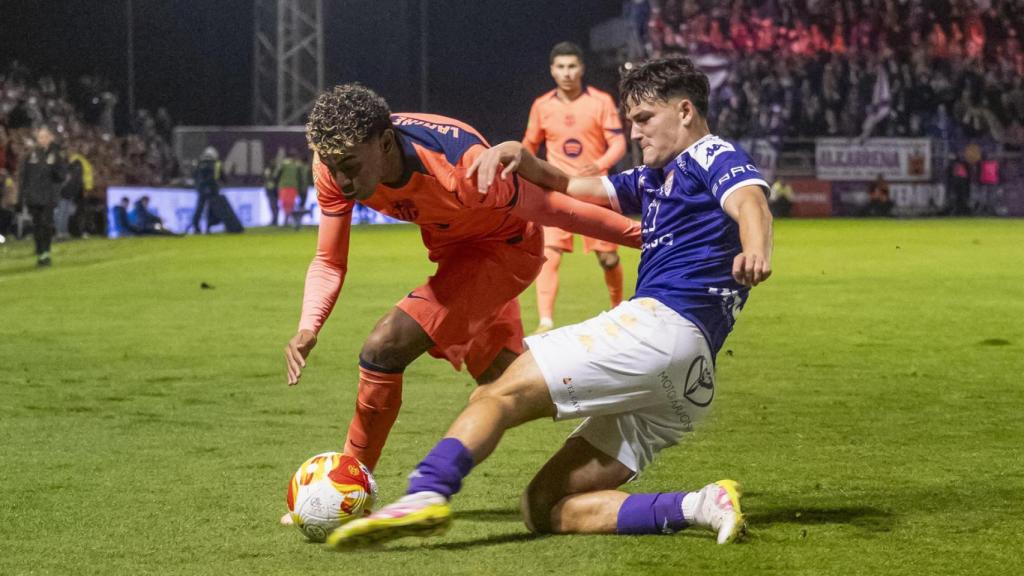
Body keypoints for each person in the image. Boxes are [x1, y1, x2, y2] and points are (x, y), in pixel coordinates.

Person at [328, 56, 773, 548]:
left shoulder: (711, 154)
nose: (635, 132)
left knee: (496, 395)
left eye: (645, 119)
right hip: (690, 380)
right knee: (545, 505)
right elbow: (570, 186)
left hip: (659, 329)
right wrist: (523, 156)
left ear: (685, 111)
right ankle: (701, 504)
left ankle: (426, 492)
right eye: (631, 120)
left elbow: (749, 200)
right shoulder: (655, 177)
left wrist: (755, 249)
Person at [282, 82, 644, 526]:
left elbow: (556, 210)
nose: (341, 180)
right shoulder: (336, 162)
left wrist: (645, 237)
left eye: (350, 167)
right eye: (332, 166)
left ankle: (348, 485)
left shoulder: (462, 165)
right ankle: (625, 397)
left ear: (385, 142)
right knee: (504, 380)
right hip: (456, 258)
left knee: (384, 346)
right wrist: (308, 326)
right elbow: (328, 259)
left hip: (505, 253)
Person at [523, 42, 628, 334]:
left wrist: (600, 164)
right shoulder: (542, 105)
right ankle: (545, 322)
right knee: (549, 253)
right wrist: (525, 171)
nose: (567, 72)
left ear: (581, 68)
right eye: (561, 67)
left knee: (608, 259)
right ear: (552, 71)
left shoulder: (600, 101)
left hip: (595, 191)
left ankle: (618, 310)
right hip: (556, 192)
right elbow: (529, 145)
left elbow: (618, 143)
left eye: (572, 66)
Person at [17, 125, 67, 266]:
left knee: (46, 224)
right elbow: (23, 178)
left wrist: (55, 169)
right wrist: (20, 198)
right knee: (37, 225)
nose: (42, 139)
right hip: (33, 197)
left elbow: (61, 176)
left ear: (51, 138)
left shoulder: (56, 155)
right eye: (40, 137)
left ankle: (46, 252)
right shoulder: (30, 155)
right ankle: (40, 252)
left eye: (45, 137)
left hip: (48, 197)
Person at [191, 147, 222, 233]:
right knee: (211, 209)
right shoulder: (216, 164)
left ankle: (196, 226)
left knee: (199, 208)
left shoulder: (199, 163)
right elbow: (220, 176)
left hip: (201, 189)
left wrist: (199, 186)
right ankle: (209, 227)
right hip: (212, 189)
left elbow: (194, 175)